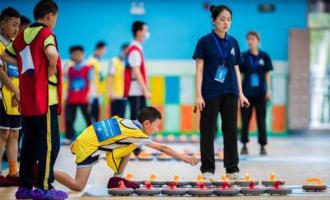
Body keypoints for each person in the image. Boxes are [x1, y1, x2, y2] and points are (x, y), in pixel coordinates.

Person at [1, 1, 67, 199]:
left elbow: (5, 56)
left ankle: (25, 187)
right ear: (49, 15)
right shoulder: (46, 34)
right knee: (50, 144)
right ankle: (45, 188)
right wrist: (50, 69)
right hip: (45, 98)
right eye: (55, 17)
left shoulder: (23, 34)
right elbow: (51, 53)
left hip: (29, 99)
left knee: (29, 143)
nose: (55, 21)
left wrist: (25, 67)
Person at [54, 106, 198, 191]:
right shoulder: (137, 134)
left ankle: (117, 178)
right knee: (78, 185)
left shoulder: (131, 124)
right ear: (147, 123)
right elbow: (162, 148)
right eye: (156, 125)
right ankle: (44, 171)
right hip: (88, 146)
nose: (157, 129)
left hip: (89, 137)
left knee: (130, 147)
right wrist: (184, 157)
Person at [193, 4, 250, 181]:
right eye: (222, 19)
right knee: (208, 131)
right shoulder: (204, 42)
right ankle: (207, 169)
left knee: (231, 131)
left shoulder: (233, 42)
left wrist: (241, 93)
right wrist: (198, 95)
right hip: (210, 93)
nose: (226, 23)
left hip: (231, 91)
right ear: (214, 21)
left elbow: (236, 69)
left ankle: (232, 169)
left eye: (229, 19)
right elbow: (199, 70)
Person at [239, 31, 273, 155]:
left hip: (260, 93)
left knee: (261, 120)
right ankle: (244, 144)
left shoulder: (264, 56)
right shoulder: (243, 56)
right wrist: (240, 93)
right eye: (248, 39)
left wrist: (268, 90)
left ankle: (263, 145)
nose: (250, 41)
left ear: (258, 41)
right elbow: (240, 75)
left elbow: (267, 75)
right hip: (247, 94)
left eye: (252, 39)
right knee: (245, 120)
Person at [0, 6, 21, 187]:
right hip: (2, 97)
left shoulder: (14, 46)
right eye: (13, 25)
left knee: (14, 133)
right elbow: (1, 72)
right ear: (2, 24)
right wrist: (16, 91)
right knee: (2, 134)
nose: (16, 29)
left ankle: (13, 172)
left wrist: (18, 93)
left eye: (18, 25)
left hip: (15, 97)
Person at [124, 21, 152, 156]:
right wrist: (145, 89)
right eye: (145, 30)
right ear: (139, 32)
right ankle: (134, 148)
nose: (147, 33)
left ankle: (137, 146)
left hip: (137, 91)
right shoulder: (134, 49)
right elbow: (136, 71)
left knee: (140, 119)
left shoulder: (137, 47)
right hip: (135, 91)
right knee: (136, 120)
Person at [63, 46, 92, 145]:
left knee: (88, 117)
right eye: (75, 54)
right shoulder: (70, 69)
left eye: (79, 54)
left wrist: (89, 95)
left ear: (83, 55)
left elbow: (90, 82)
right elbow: (68, 83)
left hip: (84, 98)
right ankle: (69, 136)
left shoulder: (88, 68)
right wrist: (66, 96)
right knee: (69, 118)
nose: (77, 56)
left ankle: (92, 136)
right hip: (72, 98)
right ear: (72, 55)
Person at [108, 43, 129, 118]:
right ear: (122, 50)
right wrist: (110, 92)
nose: (127, 53)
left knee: (122, 118)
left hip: (124, 95)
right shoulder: (114, 61)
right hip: (115, 94)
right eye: (126, 51)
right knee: (113, 117)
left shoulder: (128, 63)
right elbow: (110, 77)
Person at [88, 41, 107, 123]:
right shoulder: (91, 61)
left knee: (96, 113)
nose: (104, 52)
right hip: (92, 92)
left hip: (97, 92)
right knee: (93, 113)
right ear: (99, 49)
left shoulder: (97, 60)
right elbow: (90, 77)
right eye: (104, 50)